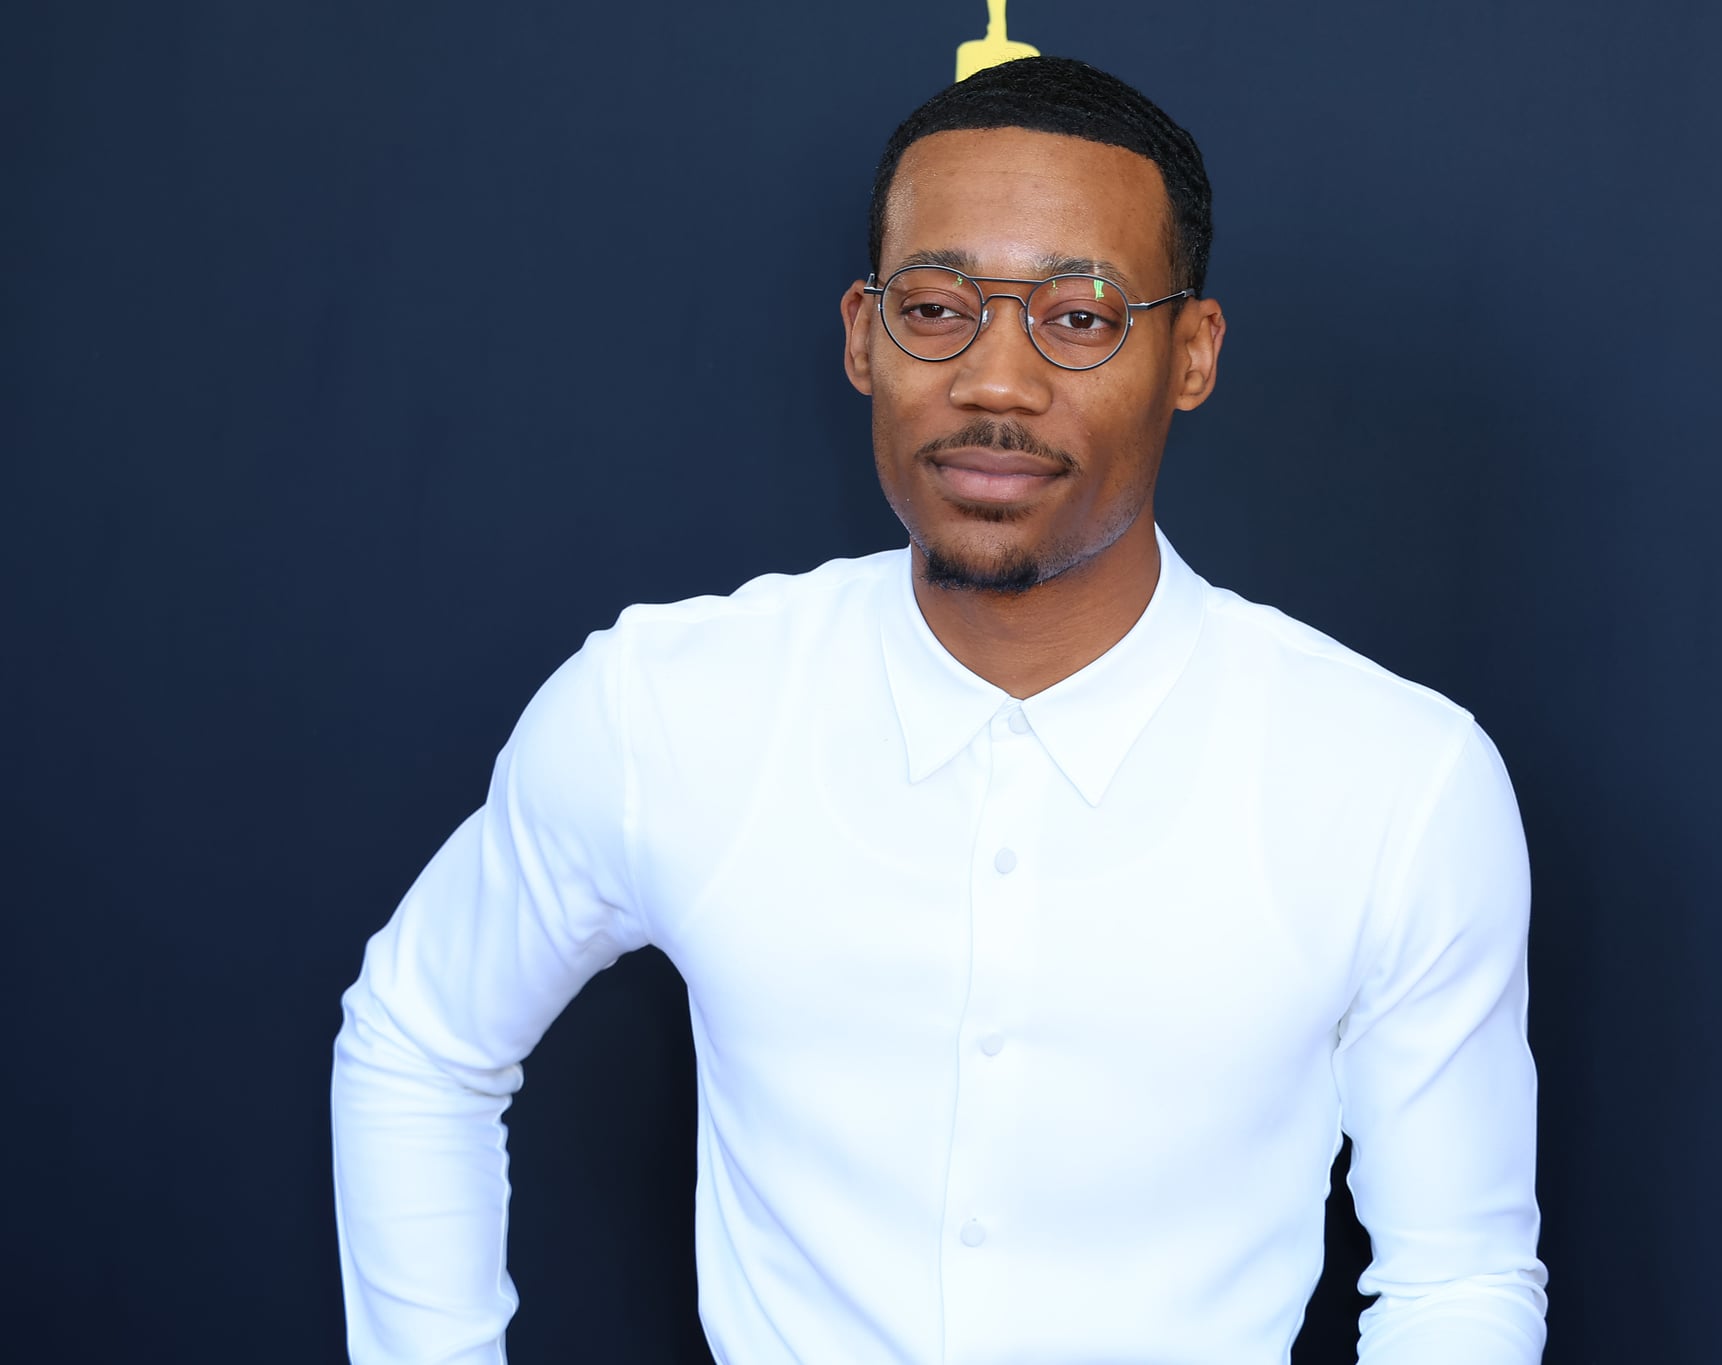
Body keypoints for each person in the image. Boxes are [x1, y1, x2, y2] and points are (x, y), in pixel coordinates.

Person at [332, 56, 1546, 1365]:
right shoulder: (669, 709)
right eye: (937, 306)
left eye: (1078, 317)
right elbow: (419, 1038)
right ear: (863, 334)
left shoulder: (1393, 782)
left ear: (1189, 353)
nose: (996, 383)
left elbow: (1455, 1277)